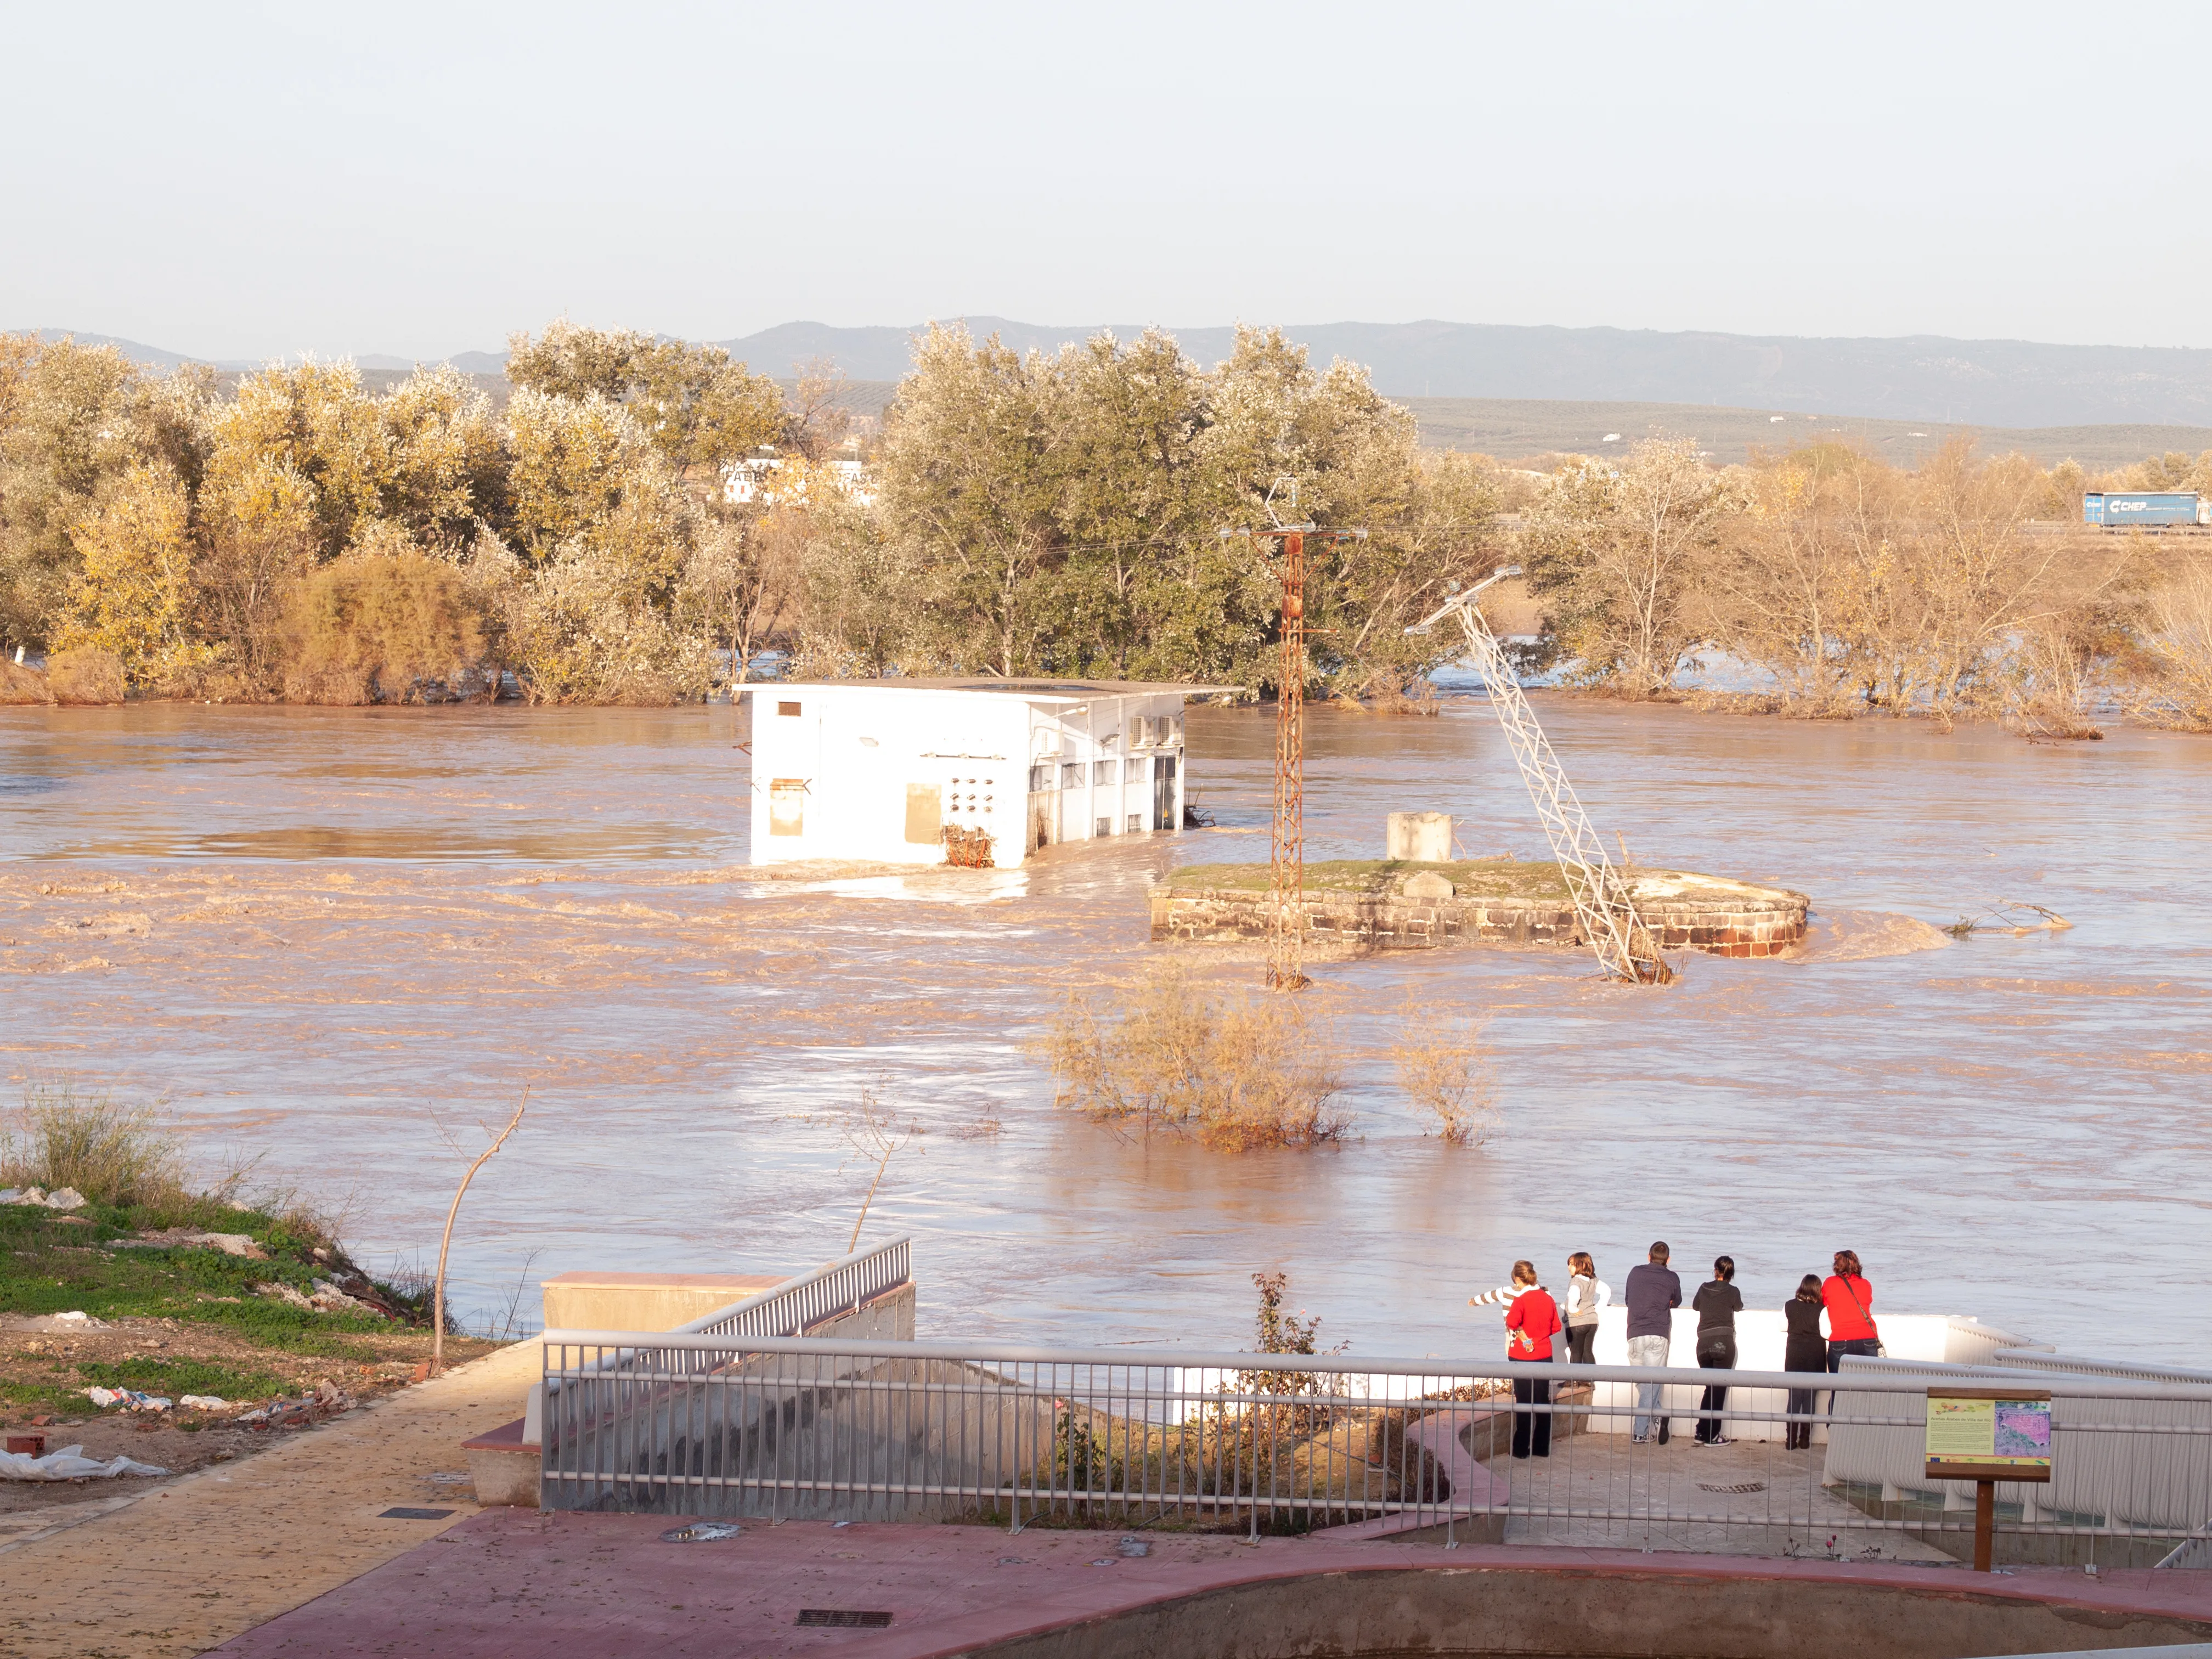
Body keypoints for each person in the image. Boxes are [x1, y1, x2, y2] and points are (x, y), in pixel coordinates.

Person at [1499, 1260, 1563, 1459]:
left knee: (1524, 1403)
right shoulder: (1547, 1298)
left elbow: (1511, 1323)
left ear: (1519, 1279)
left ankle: (1520, 1450)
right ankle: (1541, 1448)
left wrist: (1524, 1336)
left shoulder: (1521, 1300)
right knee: (1542, 1402)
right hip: (1544, 1354)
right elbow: (1557, 1327)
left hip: (1522, 1355)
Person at [1623, 1242, 1681, 1444]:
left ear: (1648, 1257)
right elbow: (1677, 1301)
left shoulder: (1635, 1272)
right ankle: (1643, 1429)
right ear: (1668, 1260)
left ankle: (1655, 1418)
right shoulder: (1672, 1277)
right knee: (1649, 1385)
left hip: (1635, 1334)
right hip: (1658, 1334)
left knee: (1643, 1383)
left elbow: (1629, 1299)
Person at [1690, 1256, 1742, 1444]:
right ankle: (1712, 1435)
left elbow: (1696, 1306)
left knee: (1709, 1388)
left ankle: (1700, 1433)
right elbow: (1739, 1307)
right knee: (1719, 1390)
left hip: (1703, 1344)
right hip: (1723, 1343)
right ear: (1731, 1273)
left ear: (1715, 1270)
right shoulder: (1733, 1291)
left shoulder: (1704, 1287)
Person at [1783, 1273, 1826, 1449]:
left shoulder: (1789, 1306)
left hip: (1794, 1352)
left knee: (1794, 1397)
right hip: (1814, 1354)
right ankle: (1805, 1439)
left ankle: (1790, 1439)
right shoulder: (1822, 1309)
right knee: (1810, 1397)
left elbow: (1782, 1326)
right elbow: (1827, 1332)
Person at [1821, 1250, 1881, 1372]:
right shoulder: (1866, 1284)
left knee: (1838, 1385)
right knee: (1867, 1385)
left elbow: (1824, 1303)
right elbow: (1868, 1301)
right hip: (1867, 1338)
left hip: (1840, 1339)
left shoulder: (1830, 1283)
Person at [1561, 1252, 1609, 1365]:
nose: (1569, 1267)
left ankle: (1573, 1380)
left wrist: (1573, 1309)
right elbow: (1607, 1292)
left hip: (1576, 1322)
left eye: (1572, 1264)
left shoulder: (1576, 1282)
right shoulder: (1593, 1280)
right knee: (1587, 1352)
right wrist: (1597, 1308)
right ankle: (1590, 1380)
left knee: (1576, 1353)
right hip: (1592, 1321)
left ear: (1581, 1266)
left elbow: (1574, 1297)